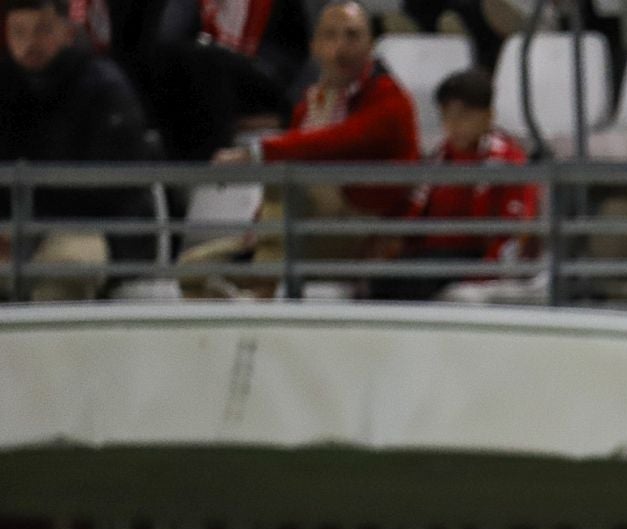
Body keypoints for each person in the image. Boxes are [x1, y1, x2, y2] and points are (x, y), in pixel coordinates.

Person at [185, 2, 418, 288]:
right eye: (330, 36)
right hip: (305, 231)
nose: (340, 47)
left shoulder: (389, 98)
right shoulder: (309, 103)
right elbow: (289, 164)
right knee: (192, 268)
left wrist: (257, 152)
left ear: (370, 45)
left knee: (297, 183)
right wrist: (257, 226)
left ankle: (261, 287)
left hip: (366, 233)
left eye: (352, 36)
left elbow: (334, 141)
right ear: (315, 47)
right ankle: (254, 285)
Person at [0, 0, 153, 303]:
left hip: (92, 228)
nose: (29, 43)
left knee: (68, 269)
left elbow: (114, 188)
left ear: (68, 32)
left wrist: (30, 221)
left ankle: (47, 350)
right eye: (18, 32)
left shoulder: (103, 88)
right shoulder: (5, 85)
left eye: (43, 31)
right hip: (13, 225)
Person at [372, 68, 537, 302]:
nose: (454, 124)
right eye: (447, 116)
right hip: (431, 255)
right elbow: (414, 212)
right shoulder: (440, 157)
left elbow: (514, 230)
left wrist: (484, 276)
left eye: (464, 115)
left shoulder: (505, 162)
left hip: (472, 257)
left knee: (412, 281)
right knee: (381, 280)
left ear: (488, 116)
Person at [141, 0, 312, 161]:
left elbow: (296, 56)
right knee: (197, 61)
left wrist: (287, 116)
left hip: (261, 89)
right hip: (201, 88)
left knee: (211, 60)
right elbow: (168, 41)